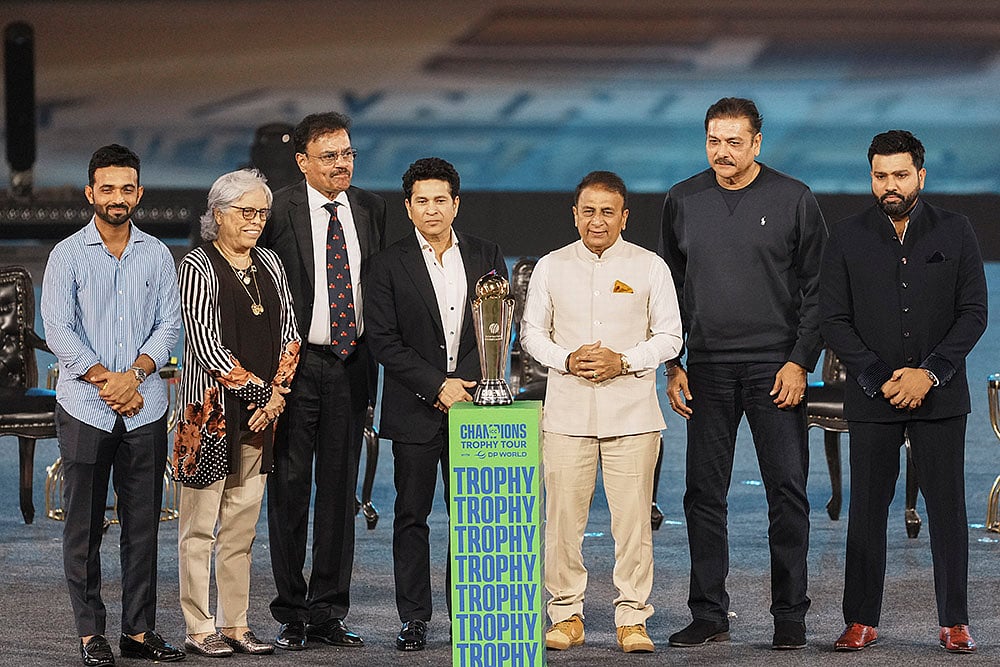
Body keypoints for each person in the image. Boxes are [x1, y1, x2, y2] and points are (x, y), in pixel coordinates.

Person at [659, 97, 827, 650]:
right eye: (713, 140)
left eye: (734, 141)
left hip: (774, 369)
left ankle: (789, 617)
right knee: (703, 495)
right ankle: (709, 613)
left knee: (787, 491)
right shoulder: (682, 199)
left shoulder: (793, 198)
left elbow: (817, 291)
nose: (722, 152)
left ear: (757, 143)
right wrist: (674, 364)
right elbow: (670, 293)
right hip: (705, 368)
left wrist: (800, 360)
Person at [820, 130, 987, 654]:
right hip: (873, 397)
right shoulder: (845, 236)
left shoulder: (956, 231)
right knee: (868, 508)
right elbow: (834, 319)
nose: (889, 186)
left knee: (947, 509)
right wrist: (878, 377)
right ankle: (861, 619)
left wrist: (928, 373)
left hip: (940, 397)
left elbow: (974, 314)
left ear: (920, 175)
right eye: (879, 176)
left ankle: (954, 621)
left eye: (899, 175)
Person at [521, 170, 682, 654]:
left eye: (607, 211)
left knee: (632, 524)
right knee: (561, 522)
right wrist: (566, 359)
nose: (597, 221)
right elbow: (531, 335)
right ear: (574, 215)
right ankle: (565, 613)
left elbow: (671, 336)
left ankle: (632, 617)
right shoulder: (550, 266)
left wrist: (624, 360)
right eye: (588, 211)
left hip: (632, 415)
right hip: (566, 413)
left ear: (624, 217)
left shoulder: (650, 266)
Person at [41, 144, 185, 666]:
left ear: (139, 193)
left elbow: (170, 323)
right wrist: (109, 381)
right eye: (108, 188)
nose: (118, 197)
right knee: (84, 526)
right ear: (90, 193)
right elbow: (58, 328)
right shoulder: (67, 254)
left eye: (127, 188)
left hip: (145, 406)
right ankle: (90, 633)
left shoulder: (157, 254)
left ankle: (139, 632)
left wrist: (137, 375)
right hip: (86, 406)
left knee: (143, 525)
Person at [365, 157, 507, 652]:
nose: (432, 210)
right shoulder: (385, 264)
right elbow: (383, 341)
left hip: (474, 405)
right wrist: (437, 384)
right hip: (415, 410)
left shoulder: (487, 253)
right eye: (421, 201)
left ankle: (472, 613)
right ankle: (414, 618)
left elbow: (495, 330)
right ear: (407, 208)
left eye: (440, 200)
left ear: (456, 204)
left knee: (472, 515)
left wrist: (464, 383)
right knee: (412, 517)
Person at [258, 111, 386, 650]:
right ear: (302, 161)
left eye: (348, 154)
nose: (341, 164)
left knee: (339, 491)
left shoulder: (371, 208)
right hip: (295, 368)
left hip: (352, 365)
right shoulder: (277, 211)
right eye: (329, 155)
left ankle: (329, 610)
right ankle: (291, 612)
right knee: (288, 488)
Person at [173, 169, 301, 657]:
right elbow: (206, 343)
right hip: (210, 419)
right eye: (246, 212)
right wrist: (261, 394)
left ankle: (236, 622)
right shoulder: (197, 265)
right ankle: (198, 625)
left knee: (241, 529)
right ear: (218, 215)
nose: (256, 221)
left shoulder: (268, 262)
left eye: (262, 212)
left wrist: (279, 393)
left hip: (260, 419)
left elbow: (290, 331)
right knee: (199, 529)